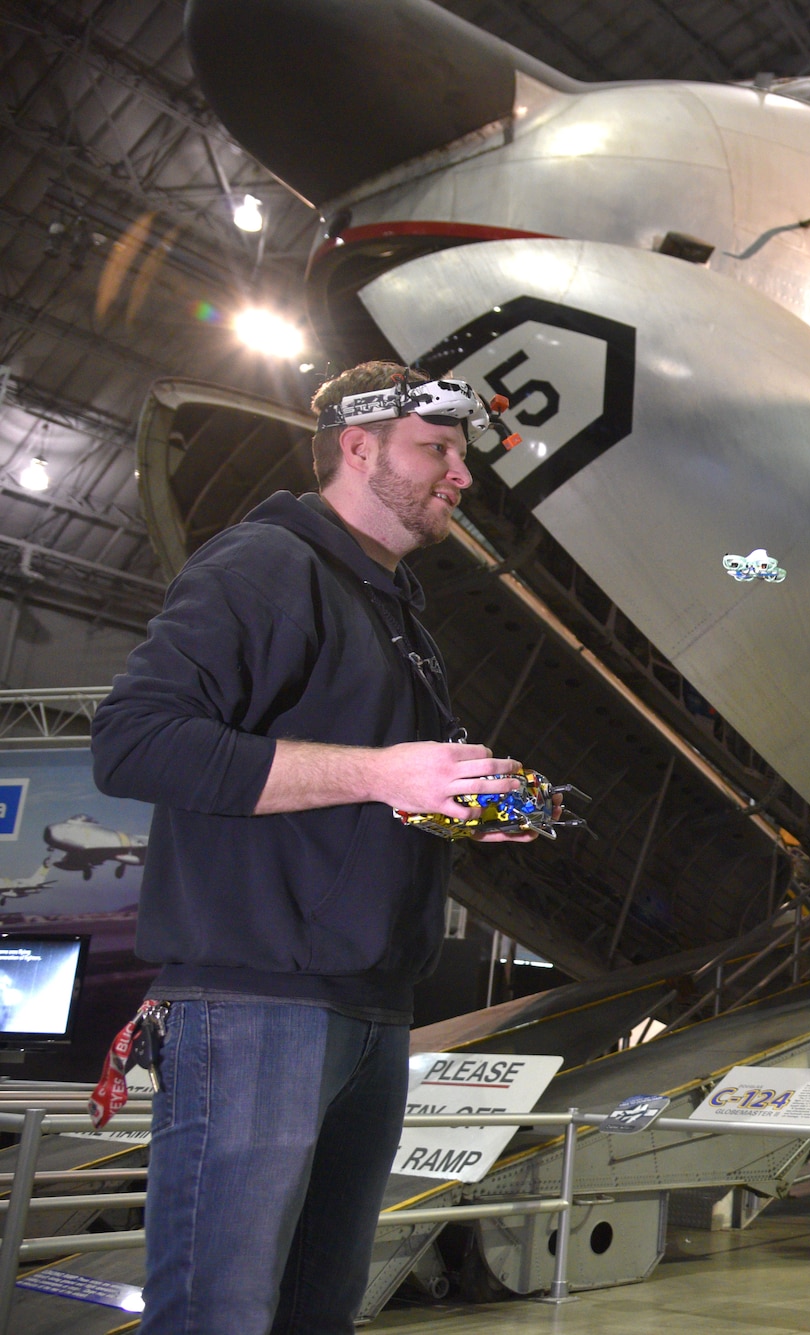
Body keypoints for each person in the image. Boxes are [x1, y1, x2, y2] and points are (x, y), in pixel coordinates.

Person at [92, 362, 535, 1334]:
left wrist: (451, 808)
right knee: (222, 1311)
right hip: (259, 1003)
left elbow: (366, 785)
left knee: (316, 1310)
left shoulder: (397, 609)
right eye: (438, 451)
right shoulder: (263, 566)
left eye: (460, 456)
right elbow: (135, 742)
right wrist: (382, 775)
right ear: (359, 446)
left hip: (371, 1005)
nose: (459, 476)